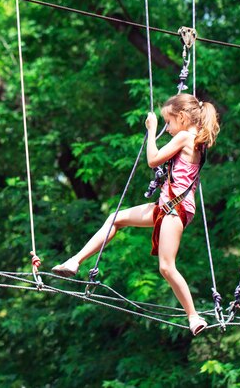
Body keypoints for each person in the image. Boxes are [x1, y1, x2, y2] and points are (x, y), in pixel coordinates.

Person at [52, 93, 220, 335]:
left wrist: (151, 130)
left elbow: (152, 160)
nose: (168, 129)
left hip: (175, 208)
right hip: (168, 206)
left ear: (182, 118)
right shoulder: (197, 141)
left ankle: (193, 316)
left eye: (169, 123)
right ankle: (75, 261)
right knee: (115, 218)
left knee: (166, 267)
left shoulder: (185, 136)